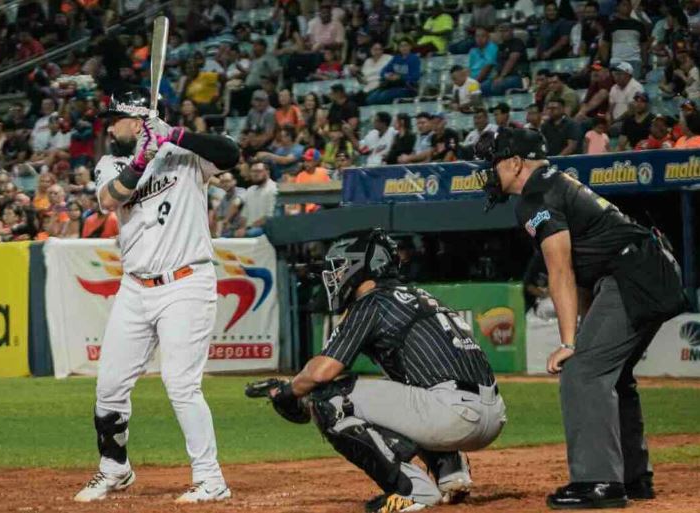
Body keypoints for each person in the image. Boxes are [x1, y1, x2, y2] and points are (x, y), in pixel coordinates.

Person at [474, 127, 686, 510]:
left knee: (583, 372)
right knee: (611, 374)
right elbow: (584, 269)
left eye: (493, 163)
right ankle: (633, 478)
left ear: (516, 162)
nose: (489, 172)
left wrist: (570, 342)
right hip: (647, 269)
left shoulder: (535, 194)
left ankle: (599, 482)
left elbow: (560, 271)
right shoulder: (555, 184)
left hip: (634, 274)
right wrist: (584, 331)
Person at [261, 229, 505, 512]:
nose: (335, 275)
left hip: (451, 415)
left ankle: (413, 491)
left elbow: (321, 373)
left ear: (361, 267)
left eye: (340, 267)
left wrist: (289, 390)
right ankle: (451, 472)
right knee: (404, 385)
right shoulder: (418, 294)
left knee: (329, 398)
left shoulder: (372, 302)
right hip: (492, 414)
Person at [75, 88, 240, 504]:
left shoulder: (185, 154)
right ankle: (115, 468)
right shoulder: (111, 162)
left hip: (186, 282)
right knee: (109, 386)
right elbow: (109, 199)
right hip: (135, 287)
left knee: (181, 384)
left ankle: (211, 478)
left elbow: (231, 154)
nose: (110, 126)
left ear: (138, 120)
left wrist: (176, 137)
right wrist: (144, 158)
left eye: (116, 119)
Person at [601, 0, 649, 79]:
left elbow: (644, 46)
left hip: (635, 60)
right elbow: (605, 44)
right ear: (618, 7)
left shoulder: (639, 25)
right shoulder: (611, 25)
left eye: (629, 5)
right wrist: (605, 63)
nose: (627, 7)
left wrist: (644, 64)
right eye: (624, 5)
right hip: (617, 61)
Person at [366, 38, 420, 105]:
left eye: (406, 45)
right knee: (371, 98)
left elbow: (415, 76)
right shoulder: (396, 58)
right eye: (401, 46)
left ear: (410, 47)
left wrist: (400, 77)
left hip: (406, 87)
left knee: (384, 97)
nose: (404, 48)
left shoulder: (414, 59)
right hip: (393, 85)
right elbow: (383, 71)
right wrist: (387, 75)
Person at [482, 22, 528, 96]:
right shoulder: (500, 46)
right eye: (501, 31)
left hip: (518, 76)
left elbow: (512, 60)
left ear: (512, 31)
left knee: (497, 86)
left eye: (505, 31)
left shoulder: (517, 42)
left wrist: (502, 76)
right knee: (483, 86)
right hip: (503, 76)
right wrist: (496, 76)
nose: (502, 33)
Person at [238, 161, 277, 238]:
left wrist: (246, 229)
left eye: (258, 171)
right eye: (253, 171)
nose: (255, 174)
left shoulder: (273, 189)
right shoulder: (250, 190)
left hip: (265, 229)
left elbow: (269, 217)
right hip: (249, 229)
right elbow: (244, 214)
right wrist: (241, 228)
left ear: (267, 172)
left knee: (249, 234)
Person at [211, 172, 245, 237]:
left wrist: (226, 220)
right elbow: (220, 218)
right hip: (229, 231)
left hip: (241, 229)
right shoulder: (223, 199)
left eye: (227, 181)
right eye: (223, 182)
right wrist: (218, 234)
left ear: (234, 182)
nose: (225, 184)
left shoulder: (241, 191)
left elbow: (236, 203)